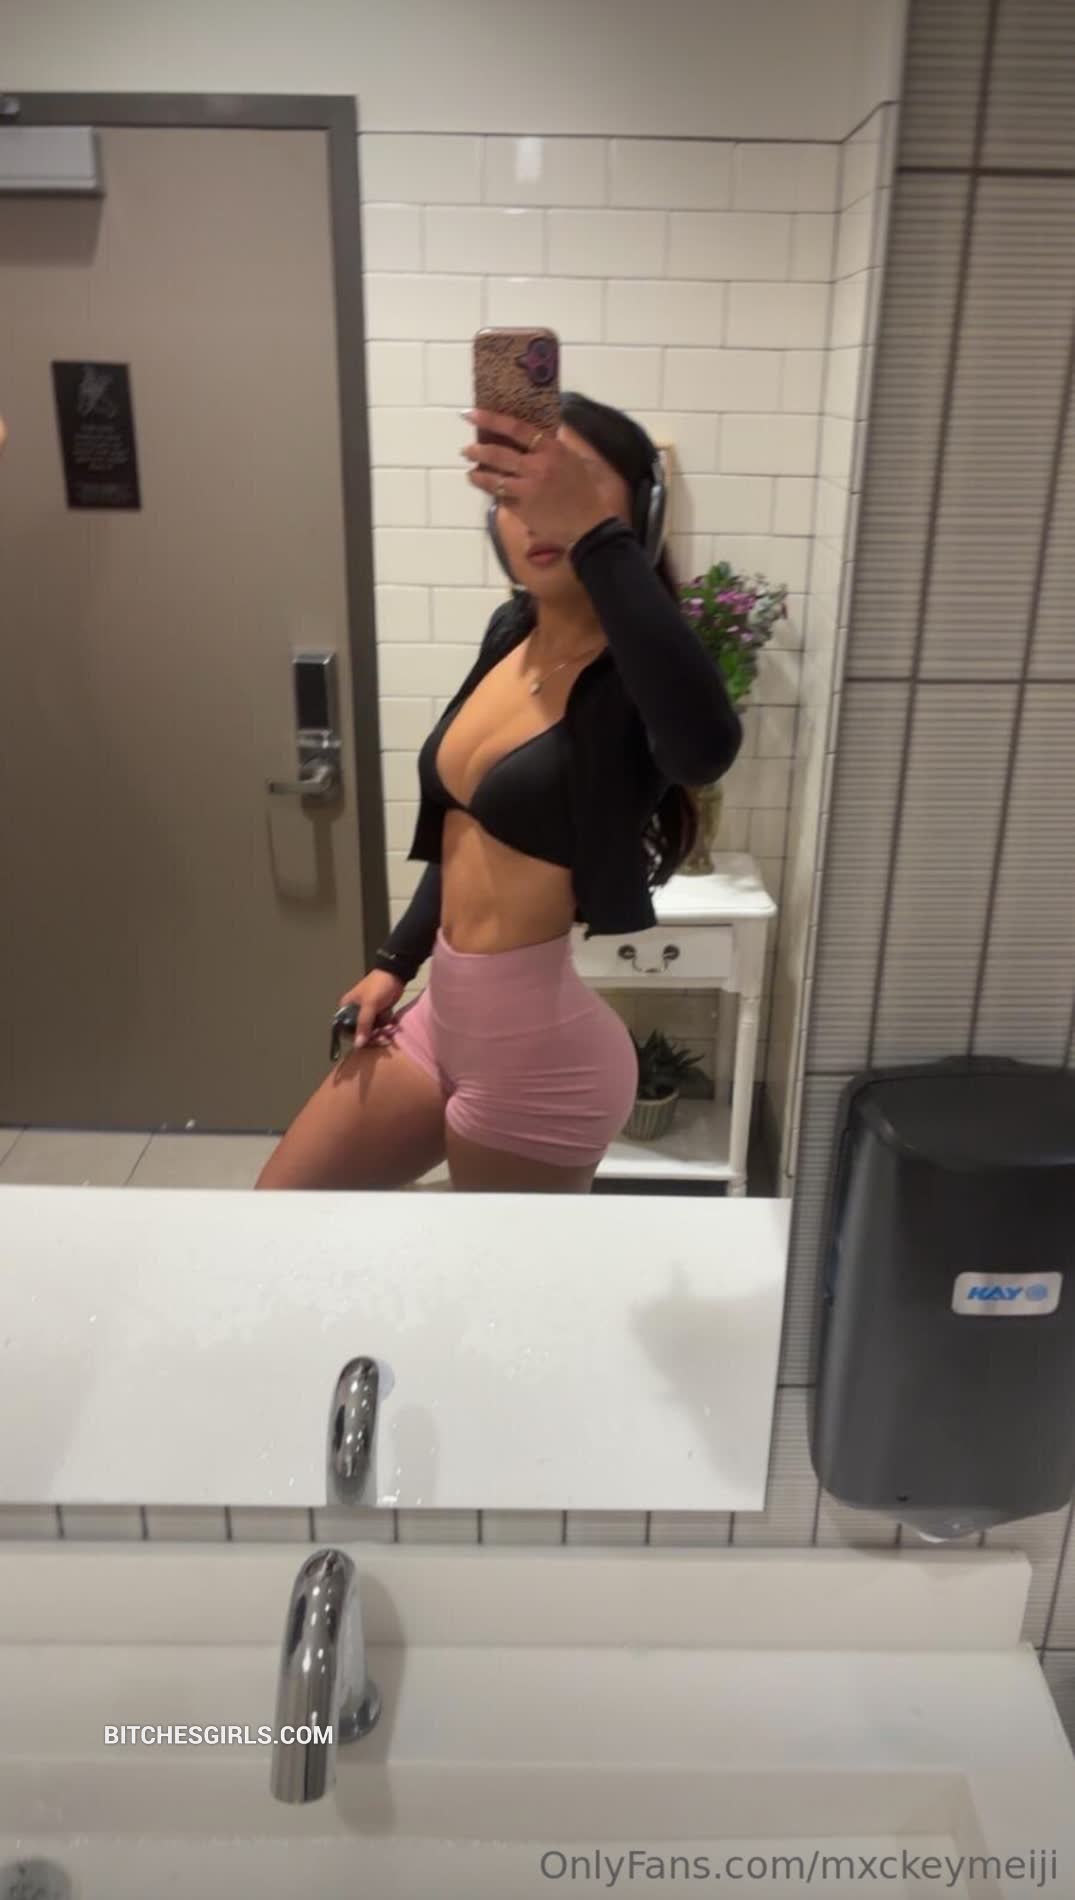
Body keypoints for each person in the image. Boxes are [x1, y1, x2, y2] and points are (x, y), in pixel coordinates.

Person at [256, 392, 741, 1195]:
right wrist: (393, 964)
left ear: (638, 512)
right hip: (437, 1024)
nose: (537, 512)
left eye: (569, 484)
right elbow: (467, 832)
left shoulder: (636, 678)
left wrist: (596, 540)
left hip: (539, 1063)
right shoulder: (509, 634)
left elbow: (704, 749)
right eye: (515, 491)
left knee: (492, 1276)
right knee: (278, 1213)